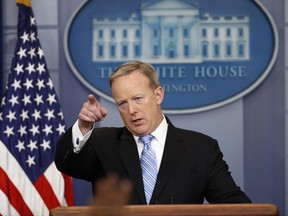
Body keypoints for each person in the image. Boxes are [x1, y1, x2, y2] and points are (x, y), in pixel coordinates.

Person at [55, 61, 251, 205]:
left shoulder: (201, 148)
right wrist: (82, 127)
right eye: (122, 103)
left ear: (158, 95)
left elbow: (233, 204)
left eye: (138, 98)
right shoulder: (102, 142)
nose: (131, 110)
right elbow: (66, 164)